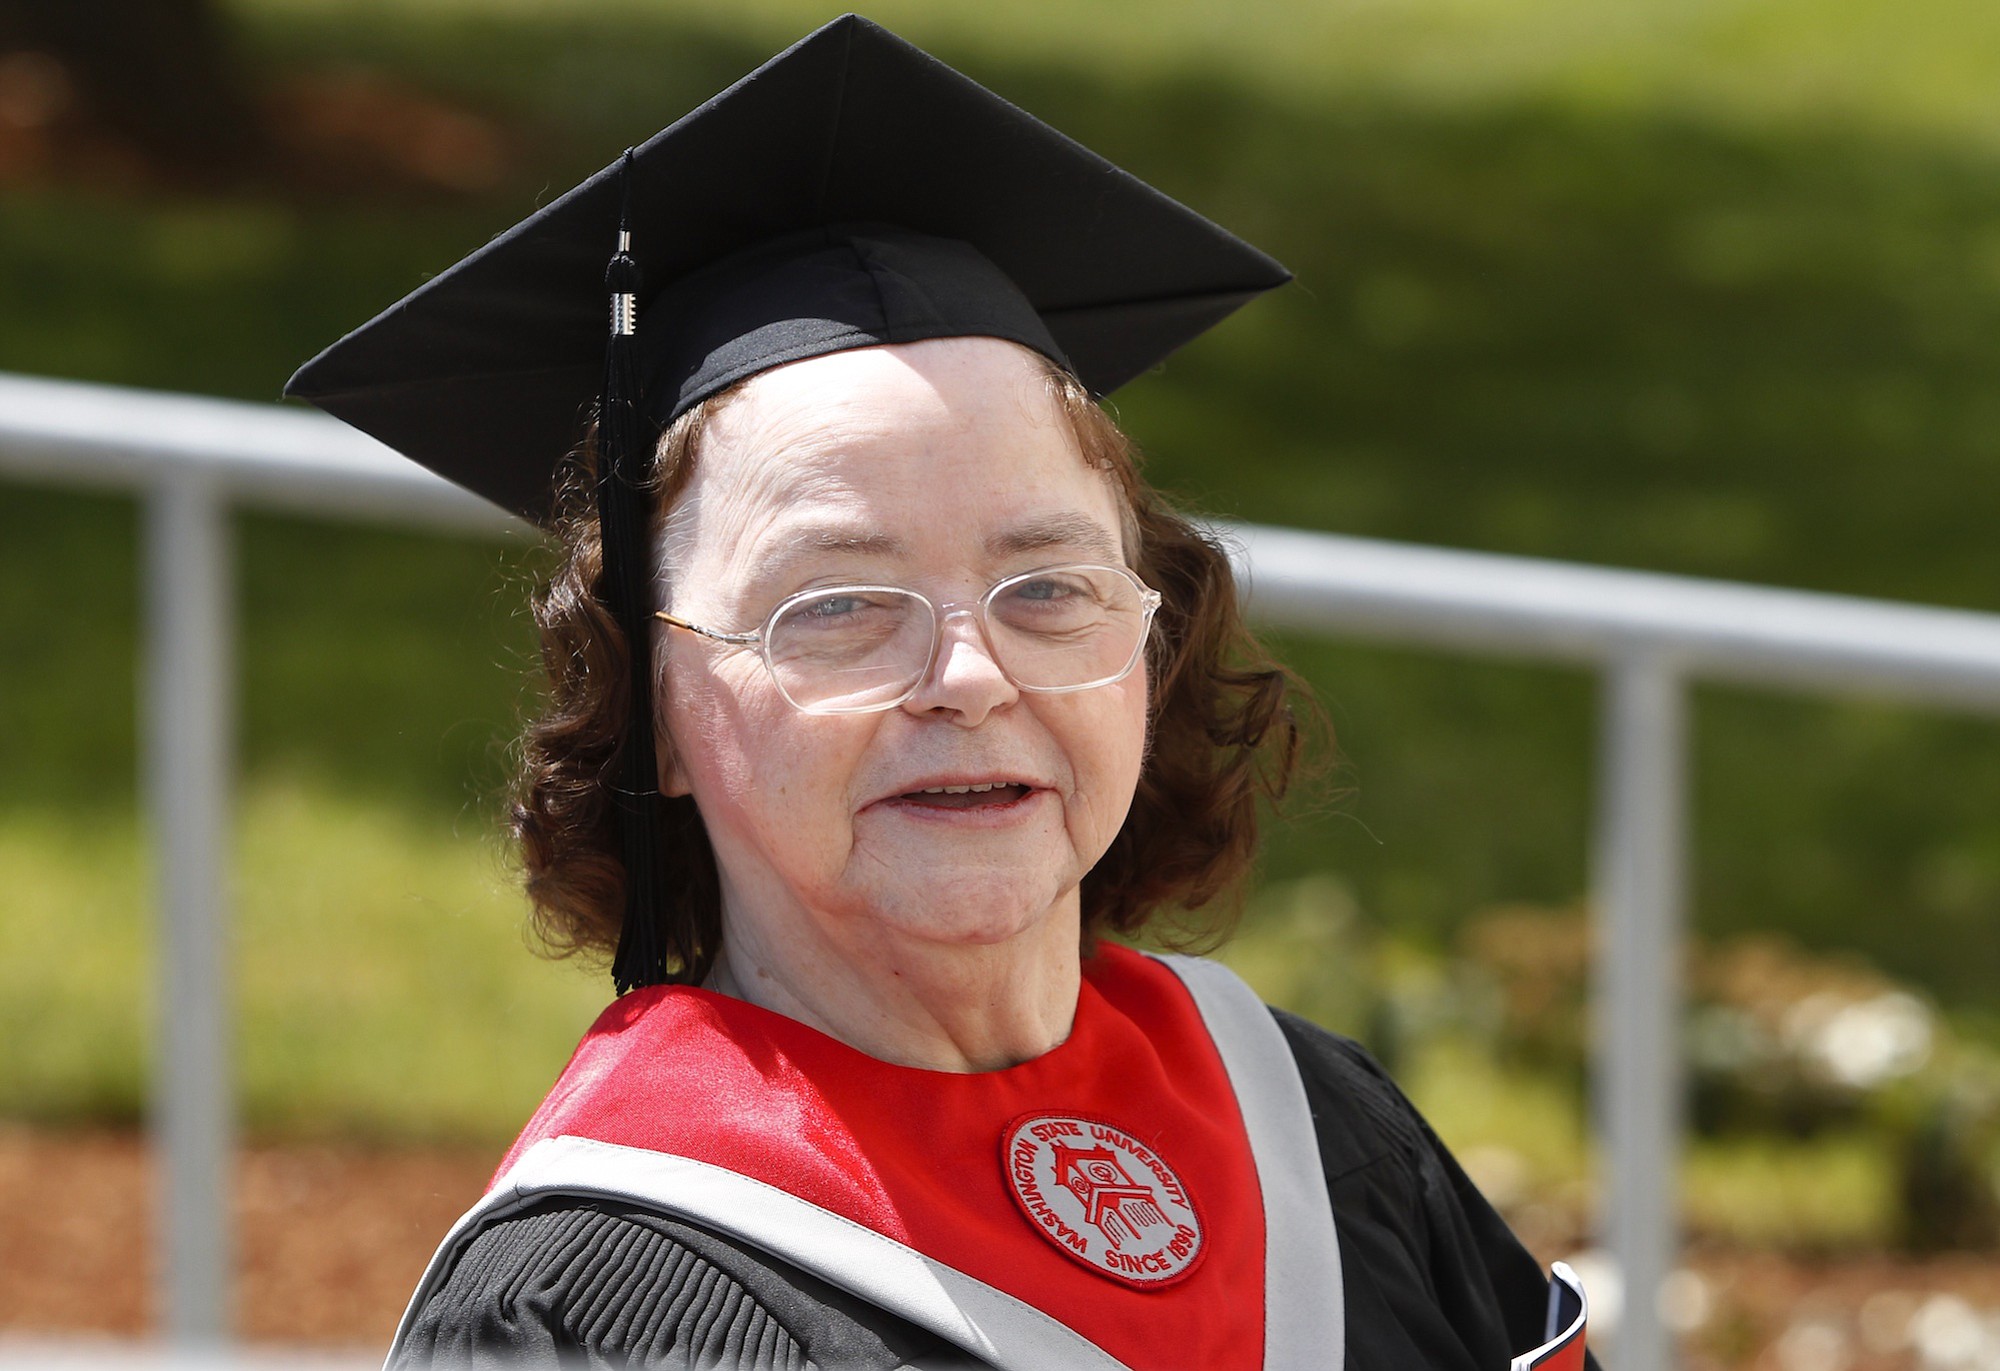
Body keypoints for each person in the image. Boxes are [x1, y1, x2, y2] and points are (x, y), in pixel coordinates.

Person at [288, 16, 1599, 1370]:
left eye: (1047, 588)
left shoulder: (1323, 1137)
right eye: (840, 607)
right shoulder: (591, 1306)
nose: (970, 679)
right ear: (657, 710)